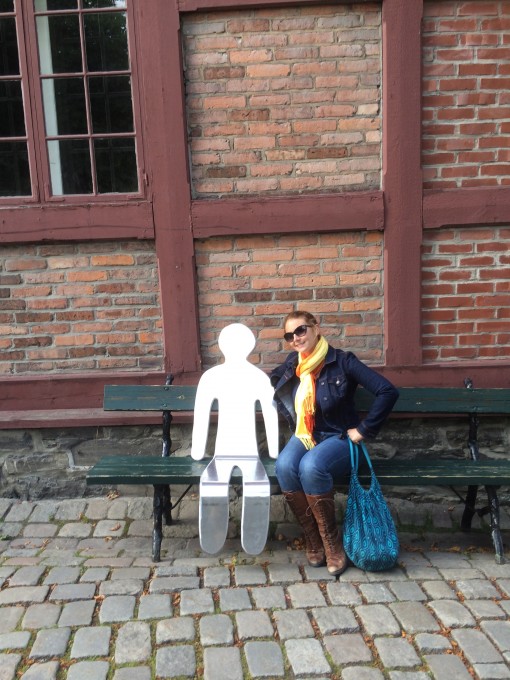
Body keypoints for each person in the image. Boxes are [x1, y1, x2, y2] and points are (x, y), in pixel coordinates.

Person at [271, 311, 399, 576]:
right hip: (308, 434)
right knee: (284, 465)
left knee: (310, 465)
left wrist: (364, 429)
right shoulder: (293, 364)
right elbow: (273, 382)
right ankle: (313, 538)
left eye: (301, 330)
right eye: (289, 335)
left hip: (340, 438)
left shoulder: (343, 361)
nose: (296, 338)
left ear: (317, 328)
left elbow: (388, 391)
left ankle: (332, 542)